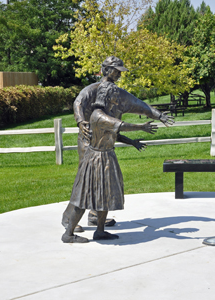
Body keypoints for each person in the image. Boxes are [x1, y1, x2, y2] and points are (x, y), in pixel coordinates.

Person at [62, 56, 174, 232]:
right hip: (89, 141)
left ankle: (95, 216)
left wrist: (158, 115)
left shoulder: (117, 92)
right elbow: (78, 103)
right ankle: (69, 220)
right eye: (116, 70)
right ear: (106, 70)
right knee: (84, 183)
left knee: (101, 183)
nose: (119, 74)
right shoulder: (93, 90)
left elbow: (139, 105)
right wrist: (80, 122)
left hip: (105, 143)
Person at [62, 81, 158, 243]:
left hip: (106, 157)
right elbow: (120, 126)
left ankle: (100, 231)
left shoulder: (108, 113)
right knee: (84, 196)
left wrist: (133, 142)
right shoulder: (98, 115)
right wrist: (142, 127)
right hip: (95, 159)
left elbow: (114, 134)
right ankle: (68, 234)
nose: (118, 98)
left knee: (105, 194)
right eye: (115, 95)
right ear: (107, 96)